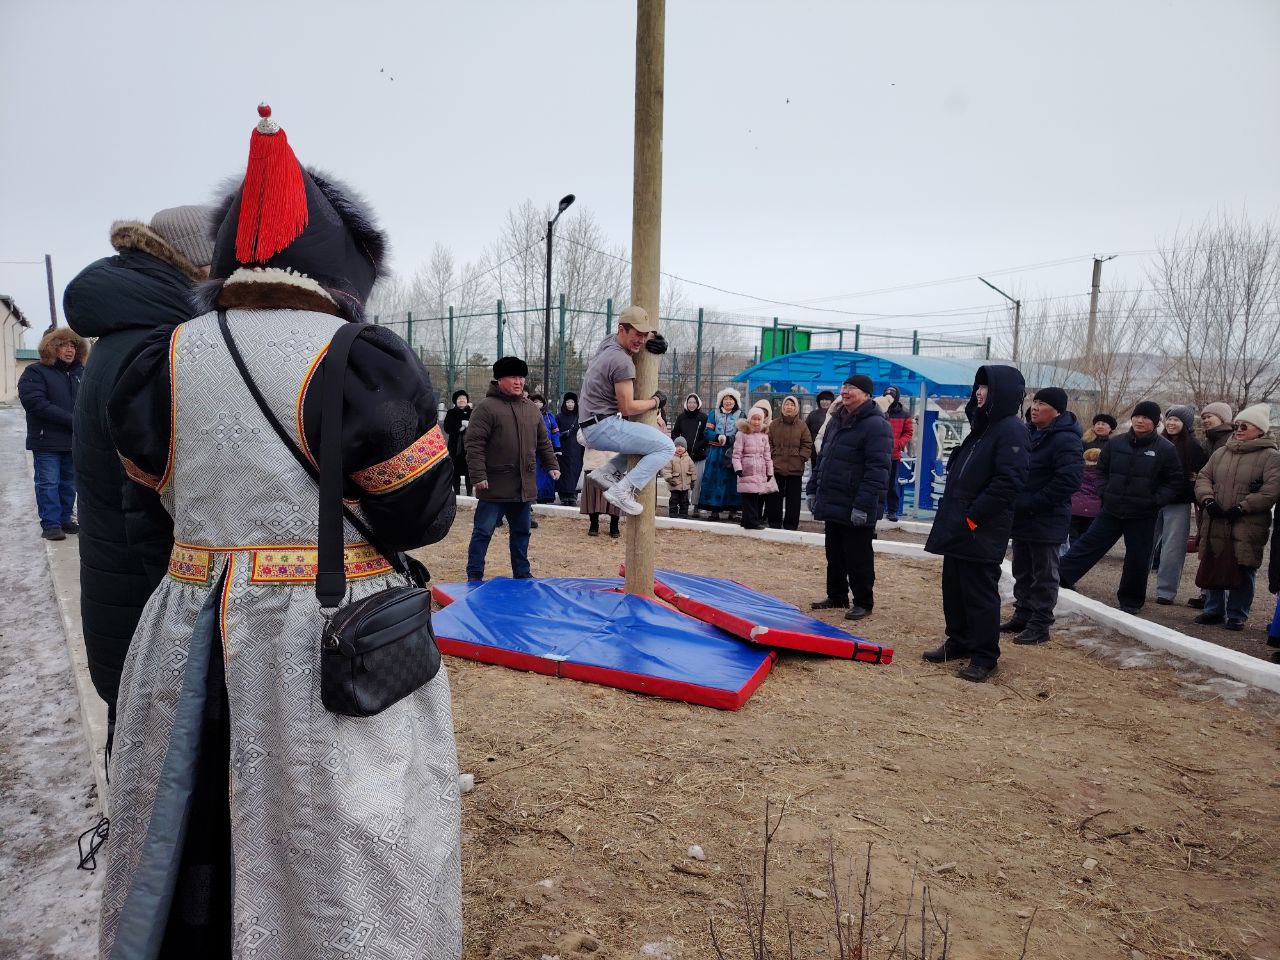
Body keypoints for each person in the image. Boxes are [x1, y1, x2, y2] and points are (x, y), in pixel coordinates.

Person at [100, 105, 461, 956]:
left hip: (187, 630)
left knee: (185, 812)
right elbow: (421, 513)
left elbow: (155, 493)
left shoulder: (164, 358)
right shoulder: (358, 359)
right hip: (324, 632)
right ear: (342, 268)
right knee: (338, 828)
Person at [64, 205, 211, 752]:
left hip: (120, 581)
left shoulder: (126, 332)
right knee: (155, 754)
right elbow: (152, 499)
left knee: (134, 735)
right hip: (148, 591)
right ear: (198, 263)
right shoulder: (158, 348)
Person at [922, 365, 1029, 682]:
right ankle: (959, 641)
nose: (979, 392)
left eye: (986, 387)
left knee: (979, 595)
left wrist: (972, 517)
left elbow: (1008, 483)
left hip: (979, 529)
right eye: (978, 387)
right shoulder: (983, 429)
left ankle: (984, 656)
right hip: (959, 525)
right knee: (953, 589)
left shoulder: (1011, 429)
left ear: (1003, 393)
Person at [1059, 401, 1183, 613]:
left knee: (1138, 557)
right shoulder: (1115, 444)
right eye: (1137, 417)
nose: (1140, 421)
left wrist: (1155, 500)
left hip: (1143, 513)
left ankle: (1131, 601)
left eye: (1146, 418)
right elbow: (1101, 471)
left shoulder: (1165, 449)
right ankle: (1059, 577)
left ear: (1154, 422)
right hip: (1112, 508)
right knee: (1088, 545)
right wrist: (1103, 492)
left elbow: (1173, 481)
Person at [808, 374, 892, 621]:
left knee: (858, 556)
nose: (844, 392)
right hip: (834, 498)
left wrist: (863, 506)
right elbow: (823, 459)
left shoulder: (877, 425)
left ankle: (863, 601)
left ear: (866, 394)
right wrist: (813, 488)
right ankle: (836, 595)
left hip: (857, 503)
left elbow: (878, 470)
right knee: (834, 553)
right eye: (843, 387)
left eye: (851, 388)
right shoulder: (836, 420)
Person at [1002, 387, 1083, 645]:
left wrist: (1034, 503)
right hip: (1024, 515)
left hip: (1047, 517)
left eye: (1042, 403)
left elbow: (1068, 481)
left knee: (1045, 573)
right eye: (1034, 401)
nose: (1035, 407)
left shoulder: (1066, 439)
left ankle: (1040, 622)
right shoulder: (1031, 433)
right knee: (1022, 568)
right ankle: (1023, 613)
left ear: (1057, 410)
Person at [465, 357, 559, 579]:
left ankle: (522, 573)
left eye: (521, 377)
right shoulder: (485, 408)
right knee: (483, 532)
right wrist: (478, 476)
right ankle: (474, 574)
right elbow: (474, 444)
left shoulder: (530, 409)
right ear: (499, 380)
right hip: (494, 485)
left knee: (521, 532)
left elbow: (543, 442)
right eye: (513, 377)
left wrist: (551, 465)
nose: (519, 382)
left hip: (523, 486)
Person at [577, 305, 673, 516]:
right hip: (603, 426)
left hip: (592, 424)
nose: (641, 340)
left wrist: (653, 337)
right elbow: (627, 406)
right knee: (666, 446)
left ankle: (609, 471)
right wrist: (656, 401)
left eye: (644, 335)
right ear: (622, 330)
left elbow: (637, 336)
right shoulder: (622, 361)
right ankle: (624, 490)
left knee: (648, 442)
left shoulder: (608, 342)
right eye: (637, 335)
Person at [1192, 404, 1280, 630]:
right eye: (1237, 425)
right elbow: (1203, 477)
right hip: (1216, 517)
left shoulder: (1271, 457)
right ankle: (1213, 610)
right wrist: (1208, 500)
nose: (1238, 429)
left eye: (1244, 426)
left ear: (1259, 430)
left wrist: (1242, 507)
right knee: (1214, 559)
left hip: (1247, 522)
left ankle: (1237, 614)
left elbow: (1271, 490)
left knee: (1243, 565)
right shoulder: (1221, 452)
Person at [19, 327, 87, 540]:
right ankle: (50, 524)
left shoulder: (79, 373)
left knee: (69, 483)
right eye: (64, 345)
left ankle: (65, 519)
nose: (70, 350)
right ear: (52, 347)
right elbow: (35, 403)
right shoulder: (35, 372)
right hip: (46, 440)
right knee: (48, 482)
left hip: (72, 440)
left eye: (73, 346)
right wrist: (72, 420)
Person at [1151, 405, 1208, 605]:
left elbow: (1203, 474)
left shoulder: (1193, 446)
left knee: (1172, 549)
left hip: (1179, 502)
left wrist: (1194, 481)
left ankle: (1165, 592)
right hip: (1153, 501)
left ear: (1186, 423)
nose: (1172, 423)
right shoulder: (1156, 442)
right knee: (1145, 544)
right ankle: (1137, 583)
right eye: (1169, 419)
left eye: (1176, 420)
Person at [1188, 402, 1234, 609]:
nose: (1206, 420)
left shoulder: (1226, 440)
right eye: (1204, 417)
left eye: (1211, 417)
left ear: (1223, 419)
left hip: (1221, 500)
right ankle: (1207, 592)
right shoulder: (1210, 440)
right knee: (1206, 544)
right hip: (1206, 499)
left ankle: (1213, 596)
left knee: (1218, 547)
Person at [765, 395, 813, 530]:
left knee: (794, 499)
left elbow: (807, 444)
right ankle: (774, 522)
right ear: (782, 407)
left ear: (796, 408)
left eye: (792, 405)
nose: (789, 407)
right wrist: (773, 455)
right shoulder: (774, 424)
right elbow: (768, 442)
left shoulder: (802, 426)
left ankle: (791, 525)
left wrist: (801, 457)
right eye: (787, 404)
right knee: (774, 497)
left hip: (795, 468)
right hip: (776, 466)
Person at [699, 388, 743, 520]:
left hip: (732, 452)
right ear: (721, 401)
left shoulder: (741, 415)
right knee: (713, 479)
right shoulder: (714, 413)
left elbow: (741, 433)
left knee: (732, 480)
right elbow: (707, 432)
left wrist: (729, 439)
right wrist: (717, 437)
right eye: (725, 399)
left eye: (731, 399)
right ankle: (714, 510)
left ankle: (733, 510)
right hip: (715, 452)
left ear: (735, 401)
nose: (728, 401)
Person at [732, 406, 775, 530]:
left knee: (755, 497)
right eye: (754, 419)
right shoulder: (742, 434)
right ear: (749, 419)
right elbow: (736, 454)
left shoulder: (764, 435)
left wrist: (769, 471)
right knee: (748, 497)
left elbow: (767, 455)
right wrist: (738, 468)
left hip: (760, 470)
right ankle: (752, 522)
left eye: (759, 419)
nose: (756, 422)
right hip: (747, 470)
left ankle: (746, 521)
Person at [670, 393, 708, 513]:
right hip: (683, 457)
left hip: (699, 456)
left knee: (697, 482)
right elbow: (675, 433)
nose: (692, 404)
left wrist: (699, 446)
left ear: (698, 404)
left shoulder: (703, 417)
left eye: (694, 402)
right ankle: (682, 506)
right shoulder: (681, 417)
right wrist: (680, 445)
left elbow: (706, 435)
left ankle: (696, 506)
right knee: (683, 482)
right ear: (686, 403)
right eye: (690, 402)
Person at [882, 386, 914, 521]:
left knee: (892, 485)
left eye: (892, 395)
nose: (890, 398)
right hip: (878, 454)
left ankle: (892, 511)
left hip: (894, 456)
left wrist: (899, 444)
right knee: (875, 482)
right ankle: (877, 509)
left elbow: (908, 433)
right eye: (887, 395)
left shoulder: (904, 414)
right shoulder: (878, 410)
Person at [581, 446, 623, 537]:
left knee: (615, 497)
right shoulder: (586, 430)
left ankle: (614, 526)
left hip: (615, 461)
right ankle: (594, 525)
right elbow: (581, 438)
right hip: (594, 463)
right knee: (592, 496)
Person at [531, 394, 561, 504]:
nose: (538, 404)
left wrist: (557, 446)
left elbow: (555, 432)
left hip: (547, 449)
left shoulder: (549, 416)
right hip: (532, 449)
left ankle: (546, 496)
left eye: (540, 402)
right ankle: (535, 495)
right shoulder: (528, 414)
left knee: (548, 473)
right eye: (535, 402)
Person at [1070, 447, 1104, 542]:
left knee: (1072, 534)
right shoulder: (1102, 474)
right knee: (1087, 536)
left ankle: (1072, 553)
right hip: (1094, 510)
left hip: (1075, 508)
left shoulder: (1077, 470)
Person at [442, 389, 473, 495]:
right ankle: (457, 493)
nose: (462, 400)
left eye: (464, 398)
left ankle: (469, 493)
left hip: (470, 446)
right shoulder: (451, 413)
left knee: (470, 471)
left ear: (467, 400)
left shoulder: (472, 412)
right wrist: (460, 427)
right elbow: (447, 428)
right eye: (459, 399)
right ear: (455, 401)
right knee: (455, 471)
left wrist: (468, 426)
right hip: (455, 447)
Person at [556, 391, 583, 505]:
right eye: (568, 402)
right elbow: (555, 432)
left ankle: (573, 495)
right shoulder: (559, 417)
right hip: (563, 448)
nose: (570, 404)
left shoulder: (580, 417)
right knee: (563, 471)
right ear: (564, 403)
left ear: (575, 403)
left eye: (572, 402)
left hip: (577, 448)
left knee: (575, 470)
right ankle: (563, 495)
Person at [662, 437, 696, 518]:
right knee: (674, 500)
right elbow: (666, 469)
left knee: (684, 501)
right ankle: (673, 514)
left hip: (685, 485)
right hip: (675, 484)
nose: (680, 448)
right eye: (677, 446)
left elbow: (693, 469)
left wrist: (693, 480)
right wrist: (669, 478)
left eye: (682, 446)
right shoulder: (671, 458)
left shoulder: (688, 459)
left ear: (685, 448)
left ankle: (683, 514)